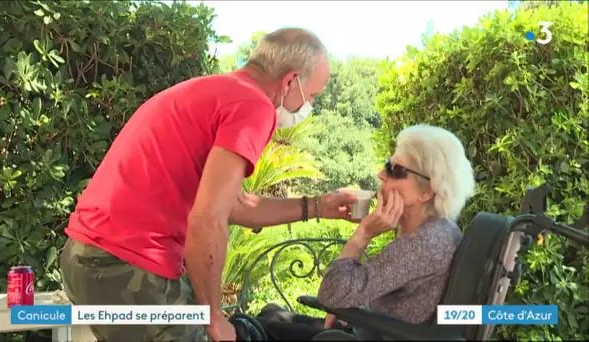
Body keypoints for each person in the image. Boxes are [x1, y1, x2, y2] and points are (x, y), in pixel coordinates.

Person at [58, 27, 359, 342]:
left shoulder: (214, 90)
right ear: (289, 81)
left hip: (88, 258)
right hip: (130, 265)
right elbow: (208, 219)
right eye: (312, 96)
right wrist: (213, 318)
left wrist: (318, 206)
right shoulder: (254, 106)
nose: (308, 107)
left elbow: (236, 205)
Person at [249, 124, 476, 341]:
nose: (380, 174)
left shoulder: (423, 244)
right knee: (270, 314)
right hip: (362, 327)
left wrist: (364, 232)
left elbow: (331, 294)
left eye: (394, 169)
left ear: (426, 191)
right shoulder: (438, 232)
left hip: (362, 335)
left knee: (252, 328)